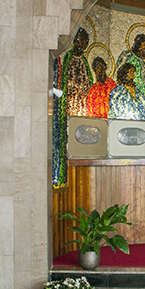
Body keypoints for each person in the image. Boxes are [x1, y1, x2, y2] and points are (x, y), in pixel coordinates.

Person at [52, 27, 93, 187]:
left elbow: (87, 84)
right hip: (69, 106)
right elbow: (63, 84)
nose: (82, 44)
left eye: (85, 41)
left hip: (82, 107)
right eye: (79, 40)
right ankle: (60, 177)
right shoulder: (67, 58)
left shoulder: (84, 62)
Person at [115, 33, 145, 110]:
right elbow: (118, 74)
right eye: (144, 47)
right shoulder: (126, 56)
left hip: (142, 100)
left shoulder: (143, 65)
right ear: (137, 45)